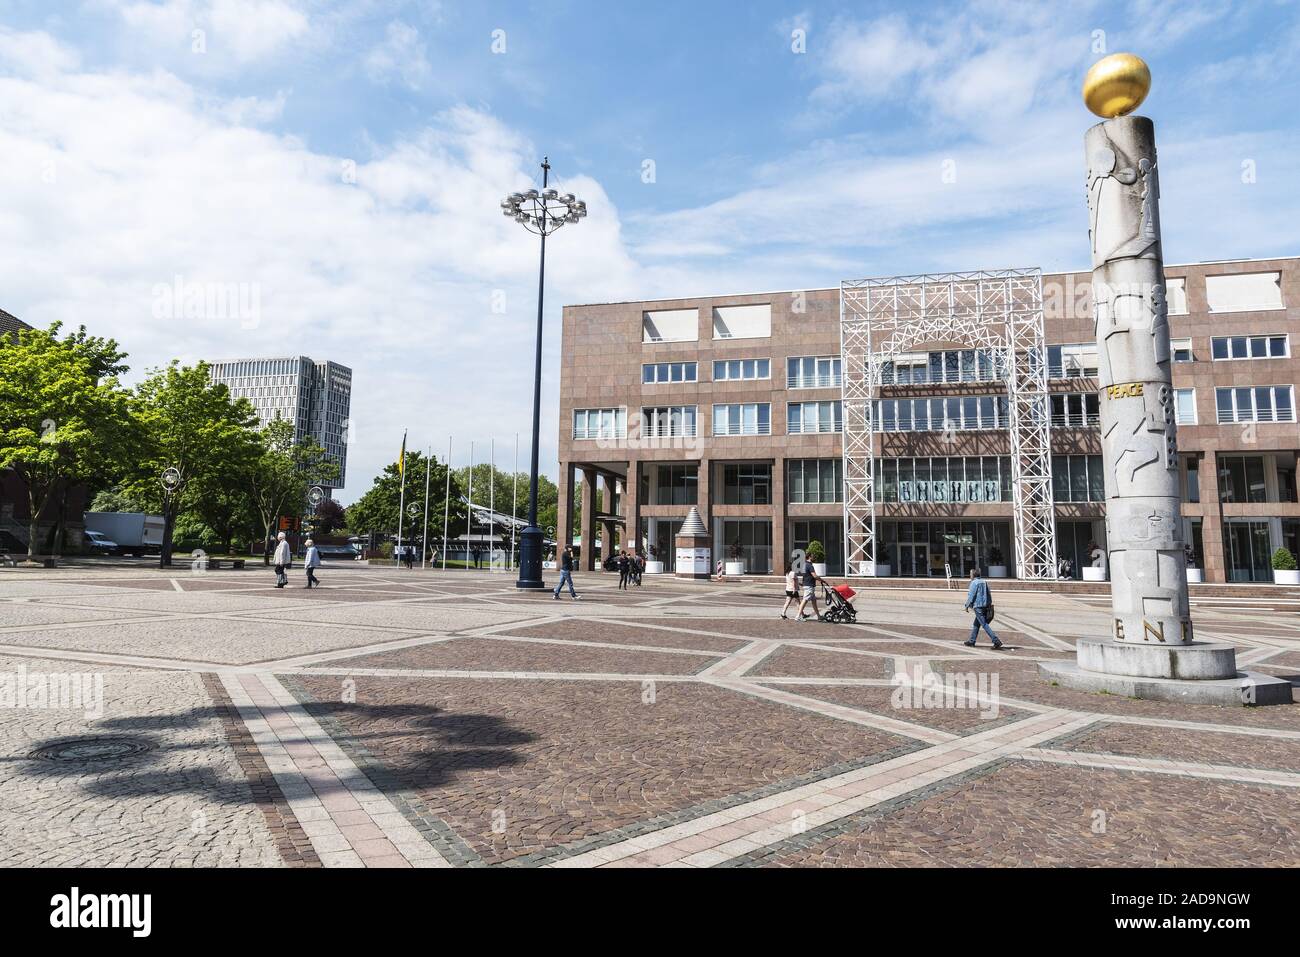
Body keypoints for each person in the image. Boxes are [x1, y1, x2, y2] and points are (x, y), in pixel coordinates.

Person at [963, 567, 1003, 649]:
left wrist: (967, 605)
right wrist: (989, 604)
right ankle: (972, 640)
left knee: (984, 624)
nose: (970, 576)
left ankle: (996, 641)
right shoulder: (984, 582)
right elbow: (989, 594)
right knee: (976, 624)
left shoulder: (974, 583)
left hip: (978, 606)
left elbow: (971, 595)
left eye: (970, 574)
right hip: (985, 606)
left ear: (973, 575)